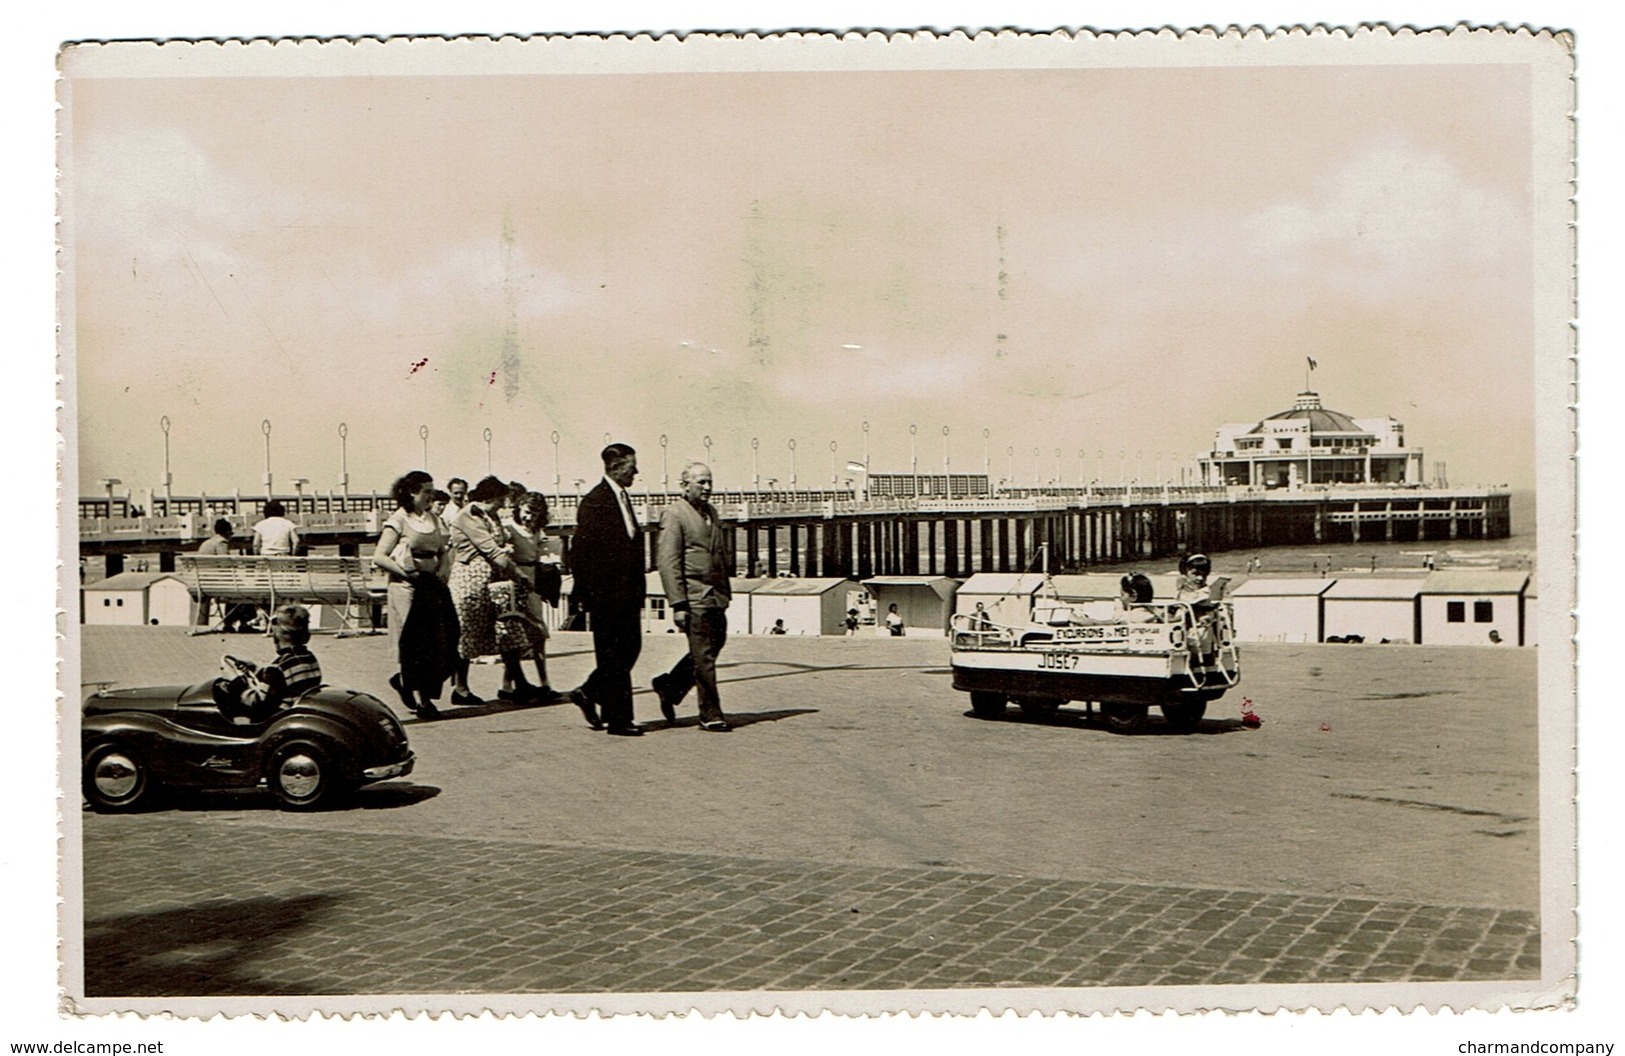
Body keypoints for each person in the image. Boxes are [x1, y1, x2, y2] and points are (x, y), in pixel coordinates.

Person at [448, 476, 548, 707]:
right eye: (500, 500)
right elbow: (491, 550)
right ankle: (460, 688)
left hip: (495, 582)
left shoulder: (489, 516)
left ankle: (518, 684)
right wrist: (519, 575)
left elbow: (500, 545)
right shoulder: (468, 516)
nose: (502, 506)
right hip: (470, 580)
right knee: (467, 633)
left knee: (508, 629)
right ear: (489, 498)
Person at [652, 462, 734, 732]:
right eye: (701, 483)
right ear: (684, 485)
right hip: (694, 595)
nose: (708, 488)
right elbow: (668, 561)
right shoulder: (674, 514)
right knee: (704, 657)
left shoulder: (711, 512)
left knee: (714, 644)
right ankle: (710, 714)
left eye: (710, 482)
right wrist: (678, 604)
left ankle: (670, 685)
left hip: (716, 596)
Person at [570, 443, 646, 735]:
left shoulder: (621, 498)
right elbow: (580, 552)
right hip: (607, 595)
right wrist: (591, 593)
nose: (636, 471)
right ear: (615, 467)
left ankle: (589, 691)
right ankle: (618, 720)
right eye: (631, 466)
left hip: (626, 593)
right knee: (613, 655)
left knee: (629, 649)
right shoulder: (595, 501)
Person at [372, 470, 459, 719]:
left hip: (431, 584)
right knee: (417, 643)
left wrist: (443, 568)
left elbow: (442, 550)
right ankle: (423, 701)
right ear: (412, 492)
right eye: (426, 492)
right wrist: (405, 573)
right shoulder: (399, 520)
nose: (431, 496)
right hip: (407, 586)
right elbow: (380, 556)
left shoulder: (432, 518)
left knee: (440, 639)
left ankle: (407, 682)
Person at [501, 491, 565, 701]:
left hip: (532, 581)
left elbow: (542, 552)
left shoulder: (537, 530)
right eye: (527, 512)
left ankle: (541, 681)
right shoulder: (509, 528)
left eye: (535, 513)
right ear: (519, 508)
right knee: (515, 633)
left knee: (537, 632)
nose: (530, 517)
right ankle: (510, 684)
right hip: (515, 580)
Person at [216, 603, 322, 724]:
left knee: (222, 690)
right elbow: (278, 681)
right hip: (294, 711)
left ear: (276, 638)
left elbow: (256, 702)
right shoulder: (309, 657)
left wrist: (236, 681)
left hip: (274, 719)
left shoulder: (277, 667)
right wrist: (254, 668)